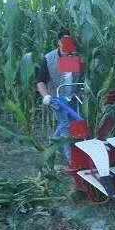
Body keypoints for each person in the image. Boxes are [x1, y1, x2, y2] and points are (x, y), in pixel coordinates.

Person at [36, 28, 81, 162]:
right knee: (66, 125)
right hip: (56, 99)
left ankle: (51, 149)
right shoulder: (49, 58)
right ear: (59, 42)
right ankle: (71, 161)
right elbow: (40, 81)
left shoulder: (73, 57)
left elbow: (70, 79)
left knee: (71, 124)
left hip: (73, 98)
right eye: (64, 41)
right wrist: (45, 96)